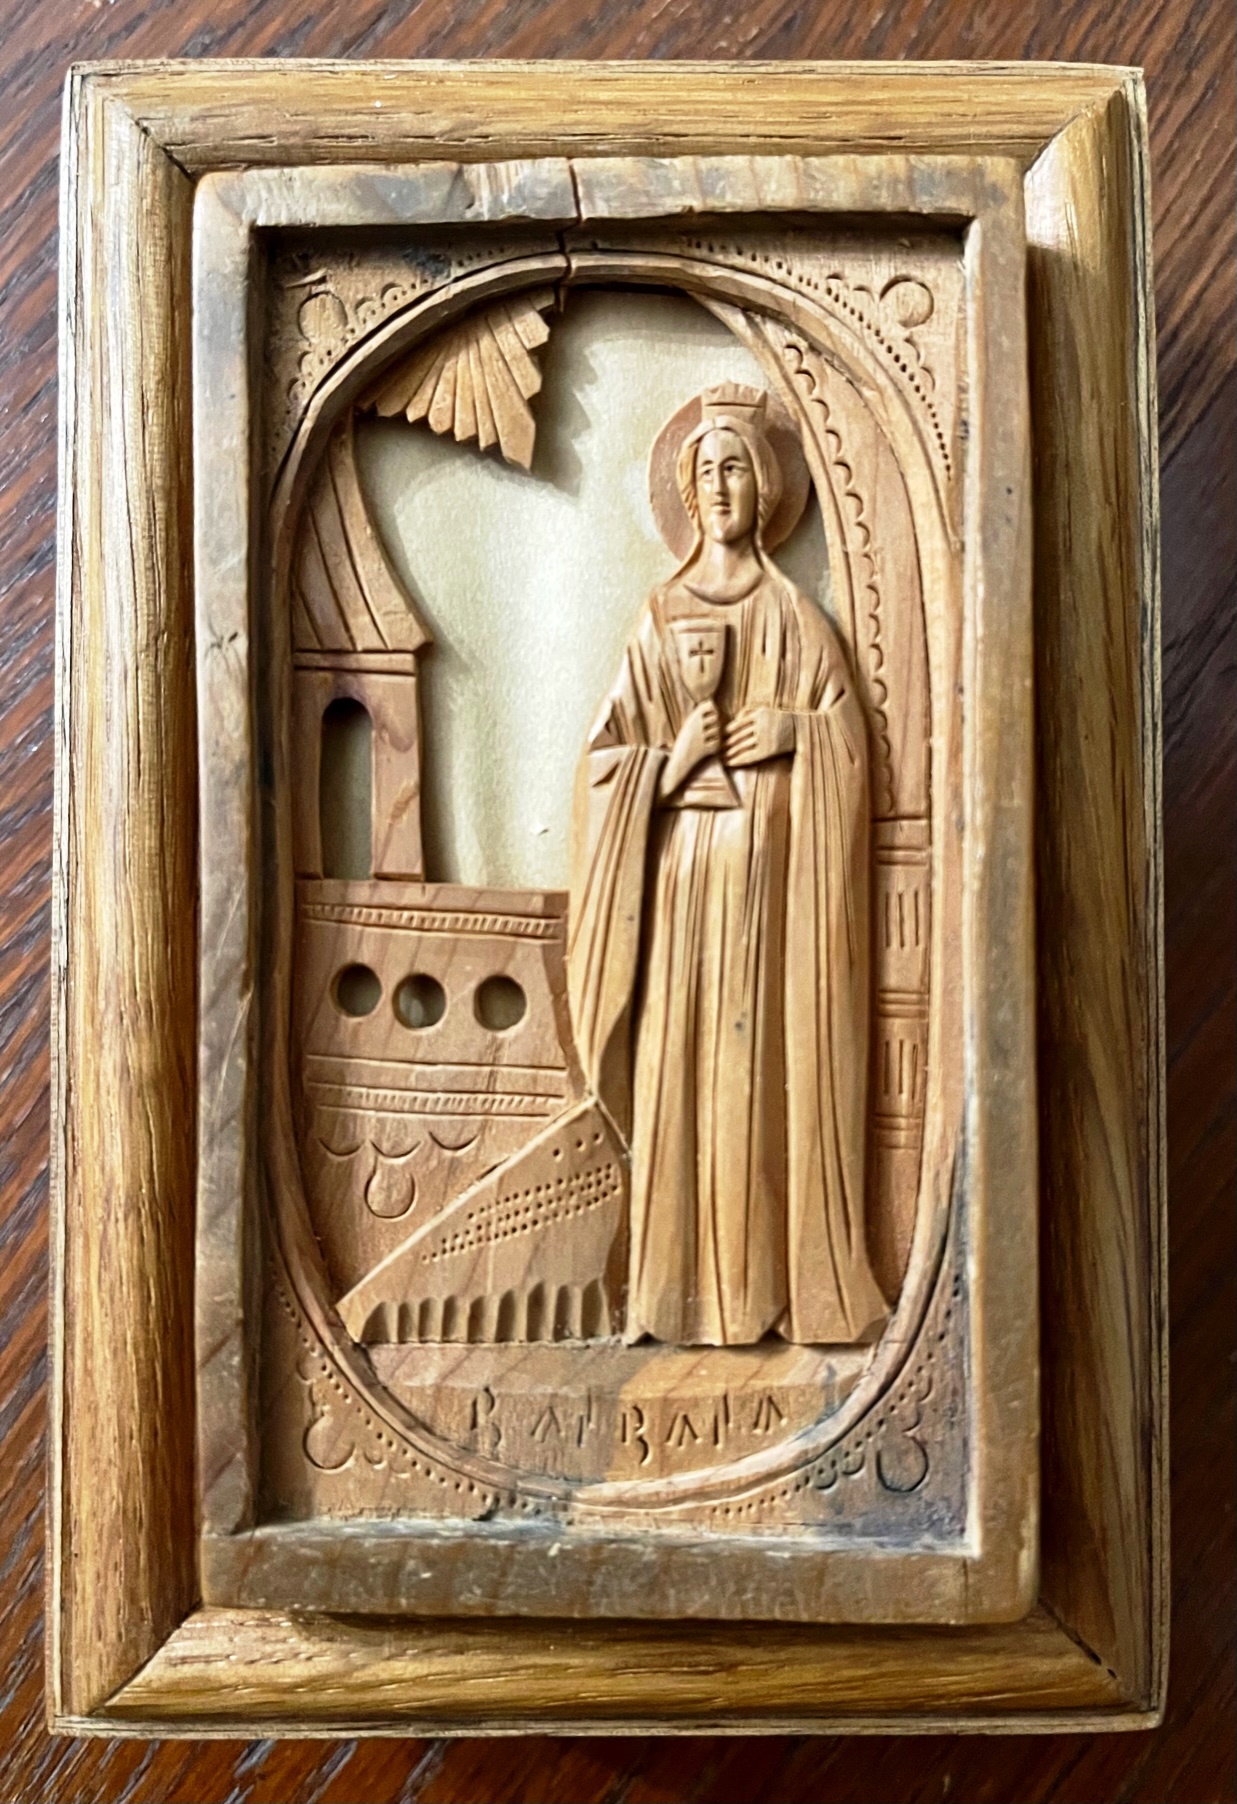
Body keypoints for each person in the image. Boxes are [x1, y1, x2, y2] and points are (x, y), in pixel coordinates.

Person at [567, 383, 886, 1346]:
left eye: (735, 467)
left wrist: (791, 734)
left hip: (767, 898)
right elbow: (603, 763)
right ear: (685, 491)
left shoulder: (793, 617)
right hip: (678, 889)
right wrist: (670, 763)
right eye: (704, 469)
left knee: (751, 1082)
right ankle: (670, 1298)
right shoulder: (658, 618)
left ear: (765, 489)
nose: (717, 485)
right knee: (678, 1077)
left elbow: (846, 745)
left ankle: (751, 1298)